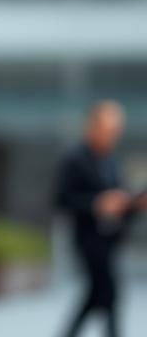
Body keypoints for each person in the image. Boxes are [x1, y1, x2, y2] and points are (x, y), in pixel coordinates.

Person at [55, 100, 147, 337]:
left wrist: (135, 204)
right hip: (88, 240)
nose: (112, 135)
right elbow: (62, 200)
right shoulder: (75, 158)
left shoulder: (112, 160)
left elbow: (119, 199)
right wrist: (96, 203)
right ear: (92, 126)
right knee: (109, 292)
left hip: (110, 239)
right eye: (108, 129)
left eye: (115, 130)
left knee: (98, 294)